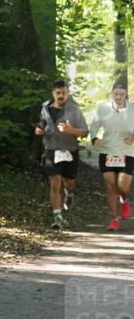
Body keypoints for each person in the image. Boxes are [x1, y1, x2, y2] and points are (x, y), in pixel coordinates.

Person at [35, 80, 89, 230]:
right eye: (58, 93)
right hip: (51, 150)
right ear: (53, 93)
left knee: (69, 181)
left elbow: (85, 131)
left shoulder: (74, 109)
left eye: (64, 93)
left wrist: (71, 130)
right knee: (54, 182)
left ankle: (70, 193)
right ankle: (57, 217)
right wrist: (39, 130)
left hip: (70, 151)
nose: (61, 96)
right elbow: (42, 123)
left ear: (68, 93)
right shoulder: (45, 107)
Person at [89, 80, 134, 231]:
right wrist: (95, 139)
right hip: (108, 151)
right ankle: (114, 218)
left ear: (126, 94)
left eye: (121, 94)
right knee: (110, 186)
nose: (118, 96)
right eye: (116, 93)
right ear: (112, 94)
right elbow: (94, 127)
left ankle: (125, 200)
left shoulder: (133, 109)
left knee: (122, 185)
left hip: (127, 152)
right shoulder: (103, 109)